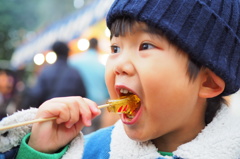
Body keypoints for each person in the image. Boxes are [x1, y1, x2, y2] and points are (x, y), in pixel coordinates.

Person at [1, 0, 240, 158]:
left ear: (207, 82)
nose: (119, 65)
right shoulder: (89, 151)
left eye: (145, 45)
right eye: (115, 48)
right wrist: (39, 151)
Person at [23, 41, 86, 108]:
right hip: (69, 114)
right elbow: (82, 94)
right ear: (67, 53)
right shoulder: (75, 72)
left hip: (50, 113)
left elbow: (36, 94)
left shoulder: (46, 71)